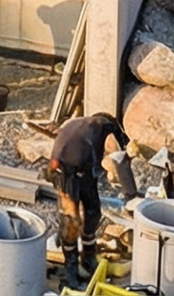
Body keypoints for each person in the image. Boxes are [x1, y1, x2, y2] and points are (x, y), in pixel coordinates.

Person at [50, 111, 134, 284]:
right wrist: (106, 173)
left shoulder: (92, 126)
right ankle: (71, 268)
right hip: (65, 173)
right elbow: (96, 156)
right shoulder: (95, 128)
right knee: (71, 220)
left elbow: (121, 145)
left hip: (84, 169)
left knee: (93, 211)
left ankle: (88, 257)